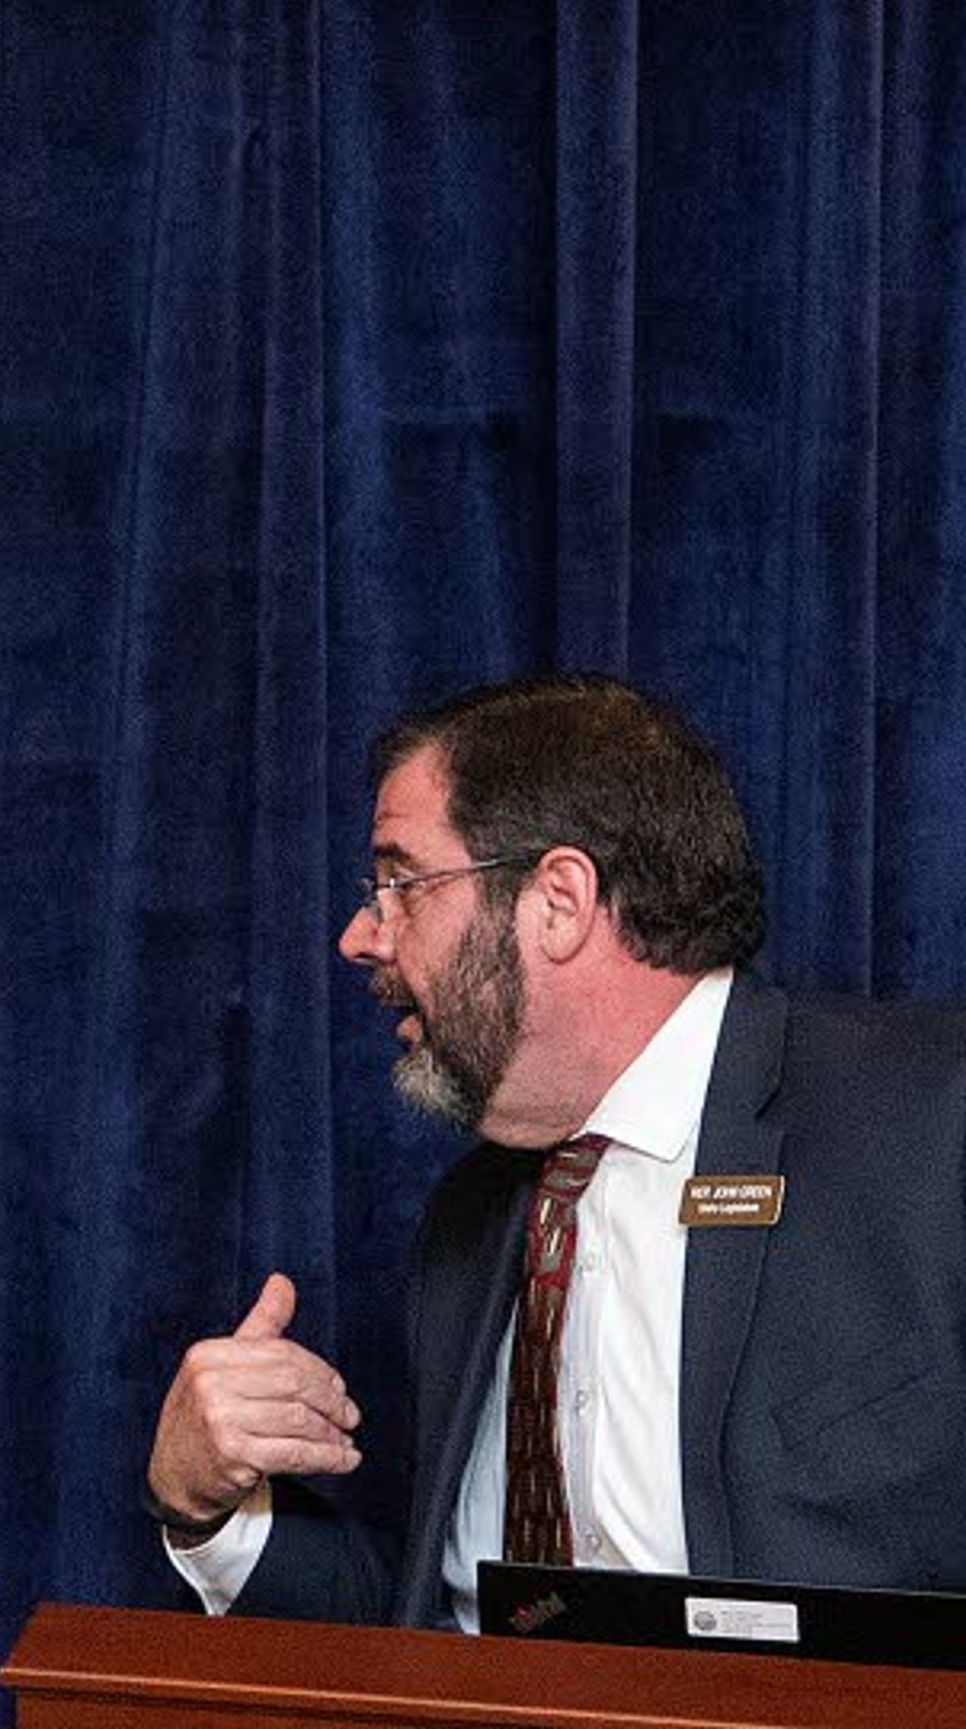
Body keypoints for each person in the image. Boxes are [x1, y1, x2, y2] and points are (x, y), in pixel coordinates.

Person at [142, 672, 966, 1631]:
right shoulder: (478, 1214)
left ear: (560, 902)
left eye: (399, 884)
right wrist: (207, 1506)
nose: (361, 936)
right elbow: (474, 1631)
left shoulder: (931, 1124)